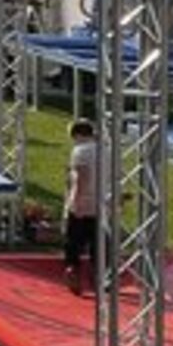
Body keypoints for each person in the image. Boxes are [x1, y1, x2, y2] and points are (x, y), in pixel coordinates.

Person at [63, 118, 100, 295]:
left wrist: (75, 202)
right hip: (102, 203)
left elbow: (82, 177)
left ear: (77, 135)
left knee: (73, 241)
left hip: (84, 202)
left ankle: (73, 271)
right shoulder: (106, 149)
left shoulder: (80, 151)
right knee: (97, 240)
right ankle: (98, 273)